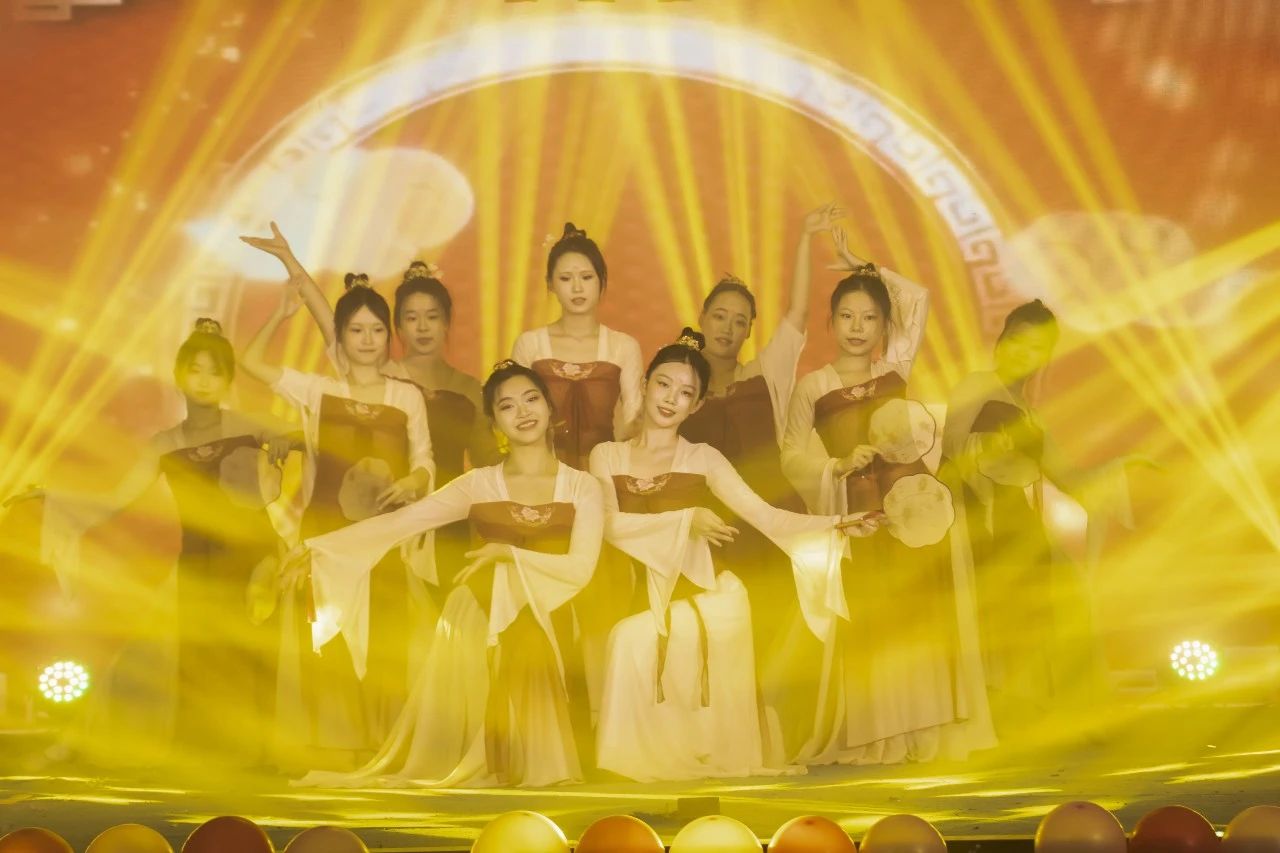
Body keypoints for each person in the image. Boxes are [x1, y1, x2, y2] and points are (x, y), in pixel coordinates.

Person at [291, 361, 603, 787]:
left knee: (532, 633)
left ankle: (526, 762)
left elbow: (581, 568)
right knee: (518, 634)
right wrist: (317, 547)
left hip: (551, 609)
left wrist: (509, 554)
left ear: (550, 407)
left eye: (531, 399)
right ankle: (521, 764)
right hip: (480, 610)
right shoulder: (479, 483)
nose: (523, 412)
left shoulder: (582, 486)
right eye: (507, 406)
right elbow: (403, 523)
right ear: (494, 424)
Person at [589, 329, 877, 781]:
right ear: (644, 385)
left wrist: (838, 524)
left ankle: (646, 759)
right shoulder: (607, 456)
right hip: (650, 593)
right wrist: (687, 519)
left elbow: (766, 516)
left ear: (697, 405)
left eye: (686, 393)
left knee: (628, 639)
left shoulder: (703, 458)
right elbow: (607, 525)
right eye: (663, 384)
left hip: (712, 595)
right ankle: (647, 758)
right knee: (629, 637)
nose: (671, 399)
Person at [9, 320, 288, 766]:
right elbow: (115, 499)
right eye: (195, 369)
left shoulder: (251, 426)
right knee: (197, 661)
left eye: (215, 372)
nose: (204, 380)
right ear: (179, 376)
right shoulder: (163, 443)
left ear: (228, 380)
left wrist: (281, 446)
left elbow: (304, 440)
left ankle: (261, 756)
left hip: (253, 557)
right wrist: (52, 497)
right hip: (196, 560)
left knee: (251, 655)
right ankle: (206, 758)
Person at [782, 268, 994, 765]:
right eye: (847, 316)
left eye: (870, 317)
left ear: (884, 325)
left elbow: (917, 299)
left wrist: (863, 264)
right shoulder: (812, 386)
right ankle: (879, 737)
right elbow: (790, 456)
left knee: (920, 621)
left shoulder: (894, 369)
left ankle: (924, 735)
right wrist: (836, 465)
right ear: (831, 321)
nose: (857, 327)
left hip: (912, 514)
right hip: (861, 518)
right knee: (873, 623)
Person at [240, 280, 433, 767]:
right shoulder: (319, 390)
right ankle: (331, 747)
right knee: (326, 637)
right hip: (325, 538)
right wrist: (281, 313)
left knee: (385, 638)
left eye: (376, 329)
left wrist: (413, 481)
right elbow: (250, 361)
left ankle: (382, 746)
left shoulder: (406, 396)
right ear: (340, 337)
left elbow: (425, 461)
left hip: (381, 537)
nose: (367, 339)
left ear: (388, 336)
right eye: (355, 330)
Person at [940, 300, 1133, 732]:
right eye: (1016, 341)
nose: (1022, 353)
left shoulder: (1029, 413)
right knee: (1007, 622)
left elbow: (1068, 476)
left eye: (1036, 348)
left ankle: (1061, 717)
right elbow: (951, 451)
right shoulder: (977, 385)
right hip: (978, 518)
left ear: (1045, 357)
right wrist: (987, 455)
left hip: (1017, 520)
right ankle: (1012, 718)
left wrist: (1120, 469)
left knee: (1059, 608)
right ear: (1000, 342)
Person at [510, 221, 644, 716]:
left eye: (586, 277)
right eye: (565, 278)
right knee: (543, 603)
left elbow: (634, 424)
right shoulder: (530, 345)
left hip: (600, 491)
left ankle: (604, 719)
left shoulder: (623, 347)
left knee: (600, 603)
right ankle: (550, 720)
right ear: (550, 285)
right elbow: (513, 416)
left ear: (602, 283)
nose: (577, 288)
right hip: (542, 490)